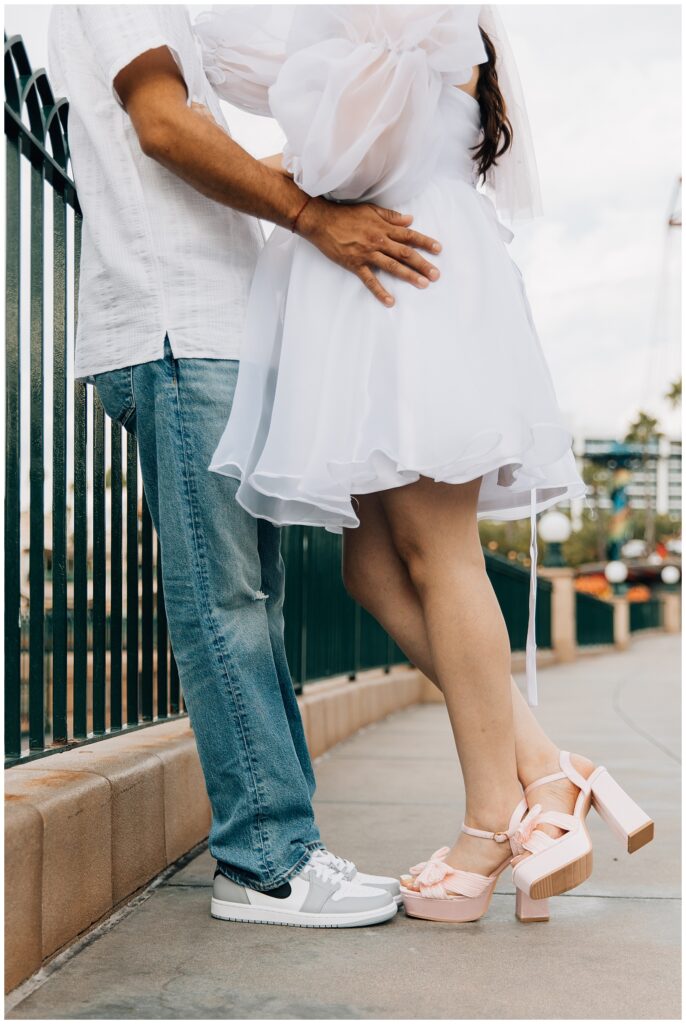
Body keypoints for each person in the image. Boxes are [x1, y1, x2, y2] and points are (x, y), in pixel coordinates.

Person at [200, 3, 654, 924]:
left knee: (438, 552)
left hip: (406, 280)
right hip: (397, 280)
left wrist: (283, 165)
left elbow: (340, 163)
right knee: (370, 568)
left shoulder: (406, 16)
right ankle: (549, 773)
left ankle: (494, 820)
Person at [47, 4, 449, 928]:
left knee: (255, 604)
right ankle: (265, 864)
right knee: (226, 602)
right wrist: (312, 218)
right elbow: (159, 126)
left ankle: (288, 848)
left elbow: (189, 141)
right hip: (174, 331)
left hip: (211, 335)